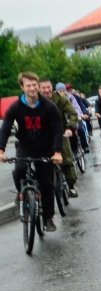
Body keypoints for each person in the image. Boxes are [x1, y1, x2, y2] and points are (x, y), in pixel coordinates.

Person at [0, 72, 64, 232]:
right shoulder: (16, 107)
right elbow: (6, 127)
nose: (32, 88)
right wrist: (1, 149)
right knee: (19, 170)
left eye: (34, 84)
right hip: (26, 145)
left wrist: (57, 152)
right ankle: (22, 196)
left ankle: (48, 218)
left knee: (46, 183)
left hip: (46, 147)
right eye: (28, 85)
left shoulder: (49, 106)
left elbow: (57, 130)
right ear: (22, 87)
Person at [39, 79, 78, 198]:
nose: (46, 90)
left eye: (48, 87)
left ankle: (71, 186)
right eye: (43, 88)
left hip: (61, 132)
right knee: (40, 161)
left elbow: (73, 113)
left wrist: (70, 128)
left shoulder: (60, 99)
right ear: (39, 89)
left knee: (66, 158)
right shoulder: (36, 101)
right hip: (43, 135)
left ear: (52, 87)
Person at [56, 83, 88, 155]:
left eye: (63, 90)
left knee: (79, 129)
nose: (62, 92)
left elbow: (76, 107)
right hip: (62, 120)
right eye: (60, 91)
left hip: (73, 118)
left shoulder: (71, 97)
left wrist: (79, 116)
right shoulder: (55, 99)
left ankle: (84, 147)